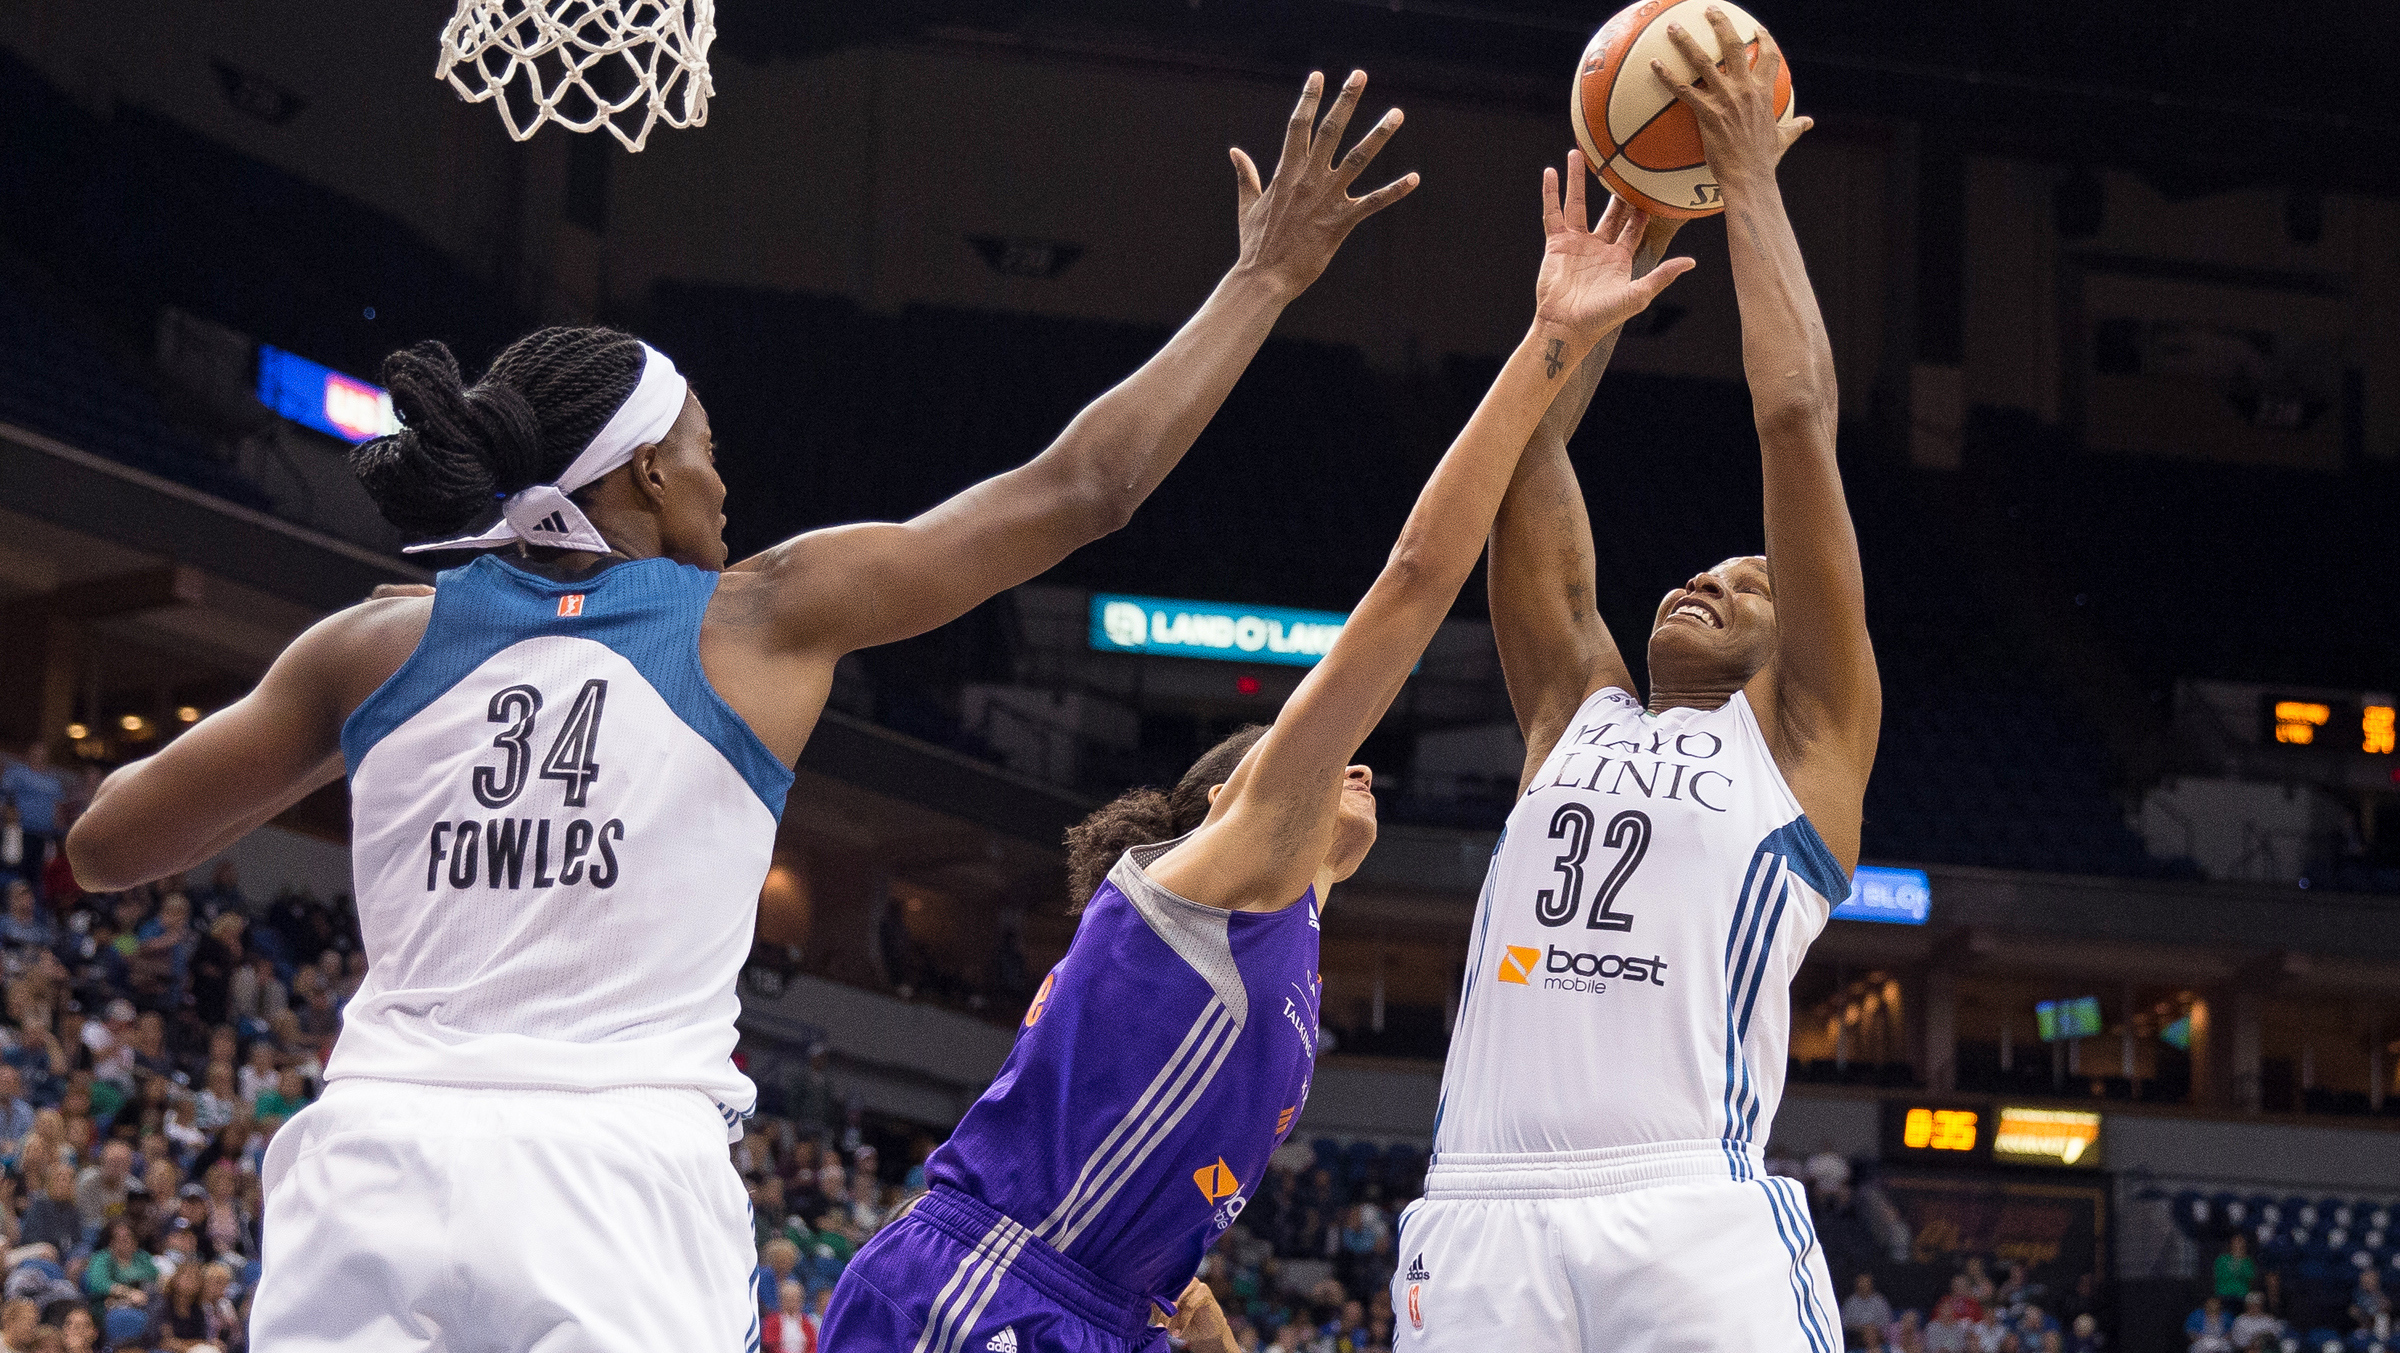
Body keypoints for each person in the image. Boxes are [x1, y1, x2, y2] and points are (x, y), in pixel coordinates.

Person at [65, 65, 1416, 1350]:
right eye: (705, 450)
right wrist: (1261, 279)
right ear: (645, 474)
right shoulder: (760, 615)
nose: (724, 480)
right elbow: (1084, 490)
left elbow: (112, 843)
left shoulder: (370, 644)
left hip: (374, 1164)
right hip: (617, 1182)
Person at [821, 130, 1691, 1353]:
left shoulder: (1288, 947)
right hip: (994, 1287)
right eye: (1298, 753)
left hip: (1096, 1310)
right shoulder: (1239, 870)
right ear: (1238, 797)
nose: (1351, 760)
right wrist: (1550, 339)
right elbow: (1413, 577)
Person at [1394, 13, 1852, 1353]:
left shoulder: (1807, 743)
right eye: (1708, 568)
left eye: (1750, 584)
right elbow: (1522, 468)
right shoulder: (1569, 715)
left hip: (1685, 1215)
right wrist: (1600, 282)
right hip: (1479, 1214)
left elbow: (1792, 418)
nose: (1712, 579)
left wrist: (1749, 181)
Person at [1844, 1274, 1896, 1349]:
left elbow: (1887, 1321)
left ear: (1871, 1285)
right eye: (1861, 1283)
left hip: (1878, 1333)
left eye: (1866, 1283)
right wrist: (1862, 1328)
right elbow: (1845, 1323)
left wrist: (1872, 1328)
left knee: (1871, 1332)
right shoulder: (1850, 1302)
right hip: (1856, 1335)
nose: (1863, 1286)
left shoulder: (1880, 1301)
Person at [2212, 1234, 2256, 1303]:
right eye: (2236, 1242)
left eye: (2241, 1242)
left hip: (2242, 1295)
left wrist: (2240, 1260)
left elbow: (2249, 1278)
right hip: (2224, 1294)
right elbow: (2221, 1276)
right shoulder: (2222, 1259)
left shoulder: (2248, 1261)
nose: (2238, 1244)